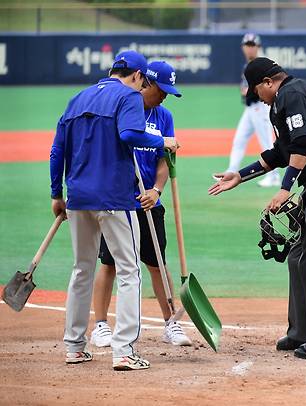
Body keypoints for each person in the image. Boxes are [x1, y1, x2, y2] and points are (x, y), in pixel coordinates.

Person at [208, 57, 306, 360]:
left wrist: (284, 189)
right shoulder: (282, 103)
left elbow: (303, 144)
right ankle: (302, 332)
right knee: (299, 257)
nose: (257, 99)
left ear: (268, 82)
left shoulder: (293, 94)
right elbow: (281, 152)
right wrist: (241, 175)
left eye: (256, 92)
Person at [50, 50, 179, 371]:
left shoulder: (77, 98)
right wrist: (161, 141)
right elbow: (130, 135)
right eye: (143, 80)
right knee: (129, 269)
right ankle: (123, 350)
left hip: (78, 198)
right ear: (137, 75)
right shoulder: (129, 97)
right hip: (114, 197)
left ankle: (75, 346)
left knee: (82, 269)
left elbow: (57, 149)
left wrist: (56, 193)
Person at [90, 61, 192, 349]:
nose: (165, 96)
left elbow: (164, 160)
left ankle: (171, 322)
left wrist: (157, 190)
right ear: (147, 83)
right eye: (162, 90)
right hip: (120, 199)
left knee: (157, 263)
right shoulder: (123, 108)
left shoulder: (164, 116)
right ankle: (100, 326)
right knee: (109, 262)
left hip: (149, 201)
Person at [226, 33, 280, 187]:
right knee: (239, 140)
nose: (249, 48)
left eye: (252, 45)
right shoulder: (247, 64)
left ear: (258, 47)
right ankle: (231, 172)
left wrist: (249, 90)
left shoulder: (262, 64)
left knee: (266, 141)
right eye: (247, 45)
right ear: (243, 47)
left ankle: (274, 176)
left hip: (261, 107)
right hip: (250, 109)